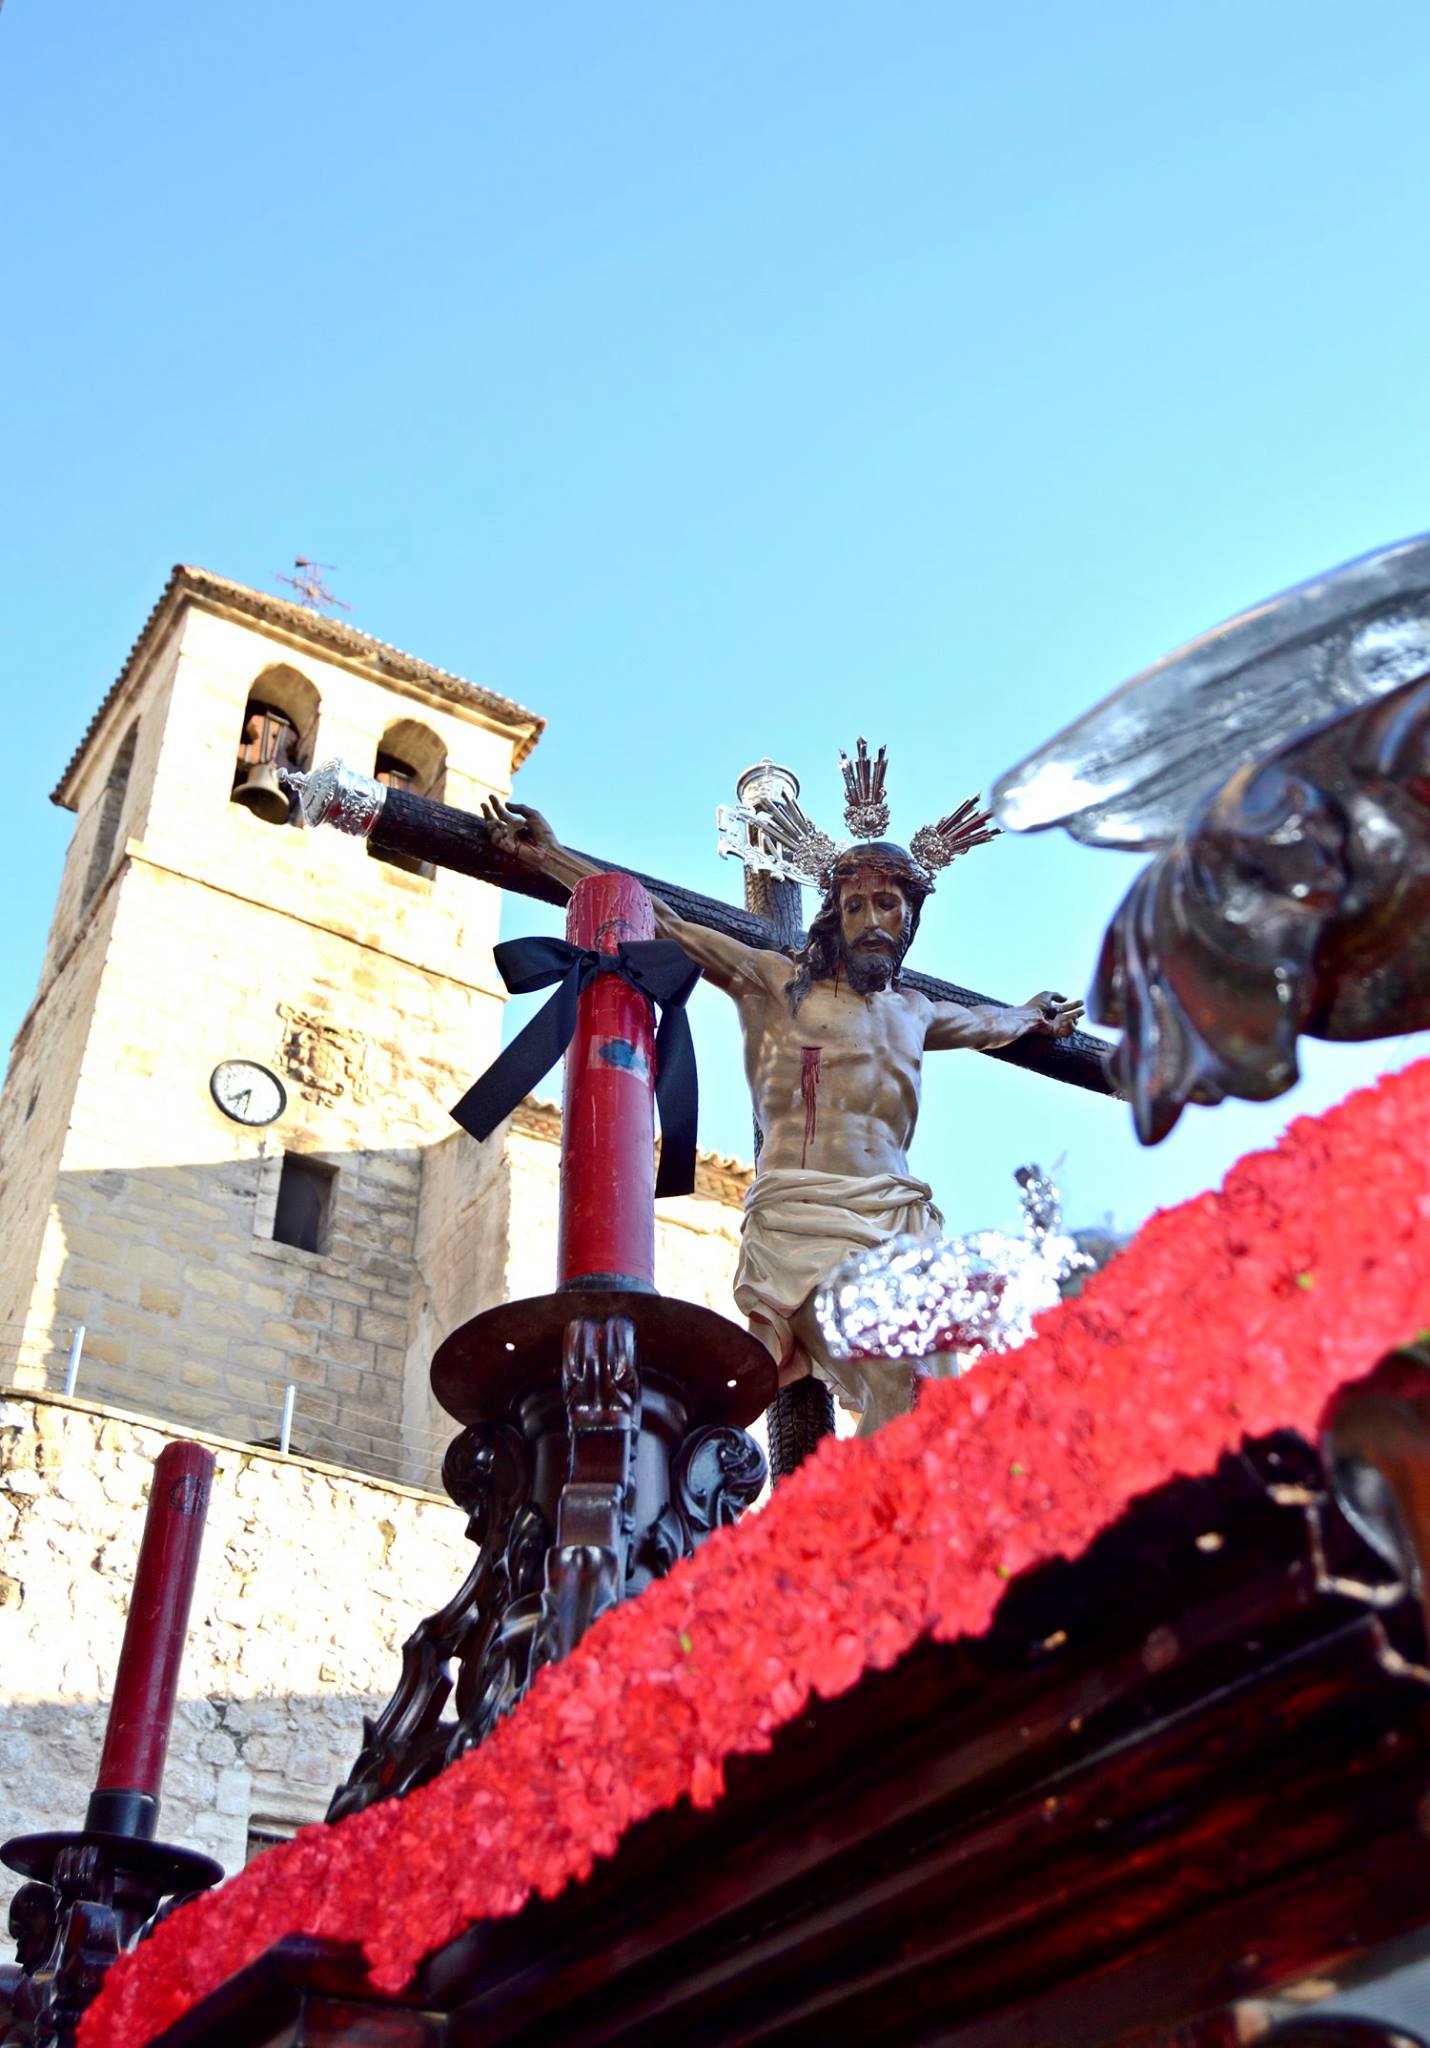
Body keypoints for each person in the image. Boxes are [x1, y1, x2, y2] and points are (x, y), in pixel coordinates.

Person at [480, 800, 1083, 1433]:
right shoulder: (774, 982)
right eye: (855, 906)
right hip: (805, 1224)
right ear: (835, 914)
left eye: (886, 905)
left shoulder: (918, 1011)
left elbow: (992, 1023)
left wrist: (1031, 1015)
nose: (870, 921)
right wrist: (549, 856)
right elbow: (666, 923)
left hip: (898, 1221)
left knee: (938, 1403)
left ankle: (883, 1492)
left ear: (910, 917)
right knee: (892, 1367)